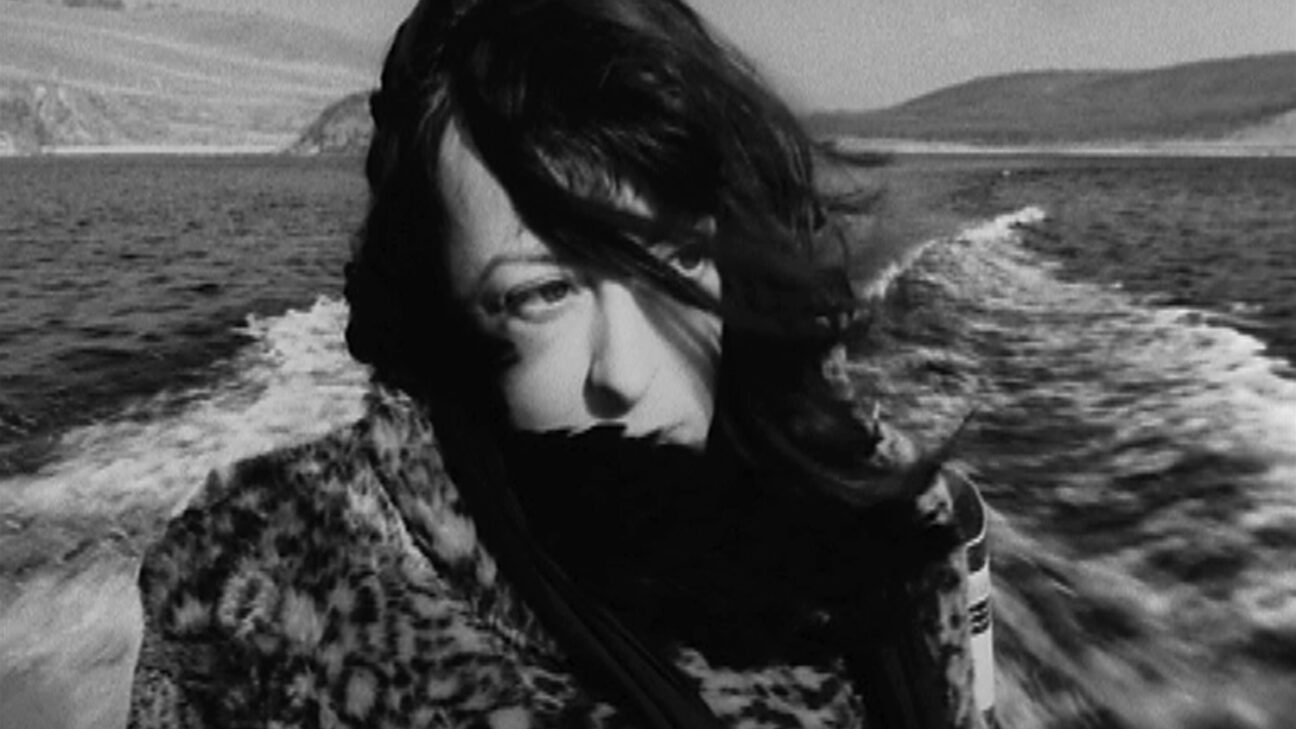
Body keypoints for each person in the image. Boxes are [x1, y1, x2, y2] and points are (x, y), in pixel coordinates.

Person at [127, 0, 995, 727]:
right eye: (544, 293)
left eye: (676, 259)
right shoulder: (264, 606)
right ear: (440, 314)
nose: (627, 370)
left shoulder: (896, 534)